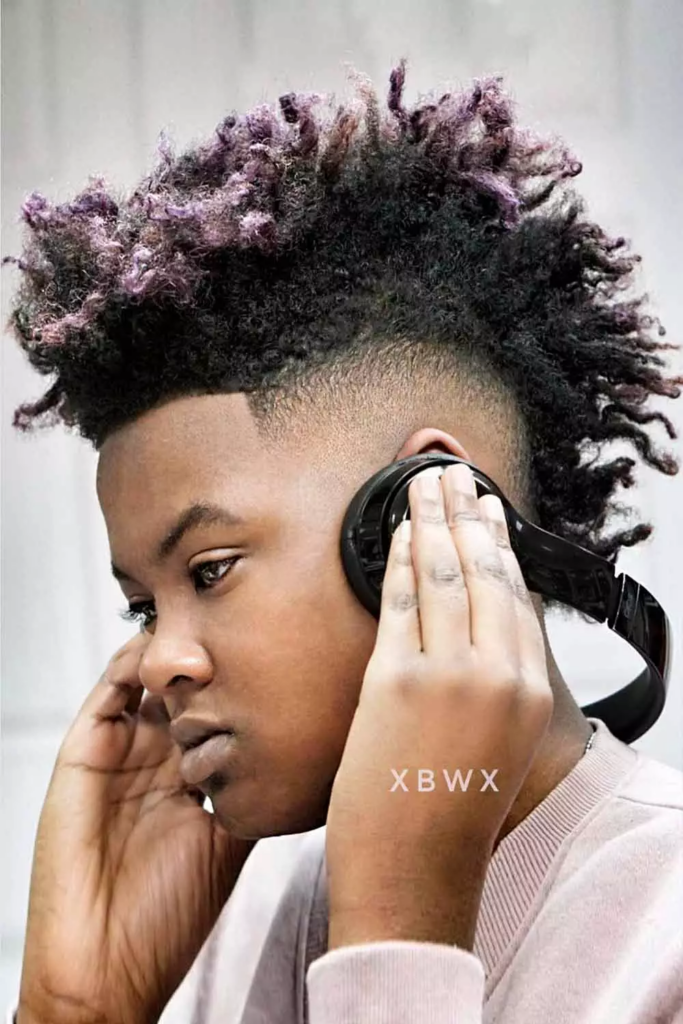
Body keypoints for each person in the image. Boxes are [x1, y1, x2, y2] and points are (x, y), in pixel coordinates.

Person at [4, 61, 683, 1024]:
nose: (159, 662)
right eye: (144, 606)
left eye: (210, 569)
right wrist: (74, 1013)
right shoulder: (242, 929)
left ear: (434, 509)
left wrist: (394, 939)